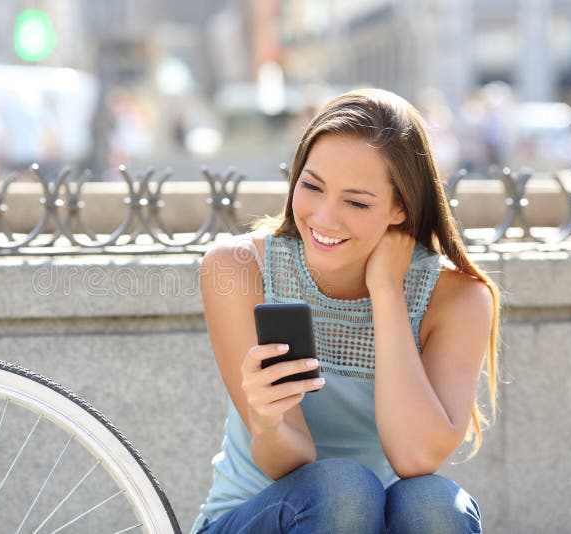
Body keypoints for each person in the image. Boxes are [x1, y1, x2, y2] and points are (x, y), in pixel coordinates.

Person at [193, 88, 499, 533]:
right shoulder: (239, 268)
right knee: (343, 492)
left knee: (435, 505)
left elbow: (416, 458)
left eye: (356, 202)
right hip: (257, 516)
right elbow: (287, 461)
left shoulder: (458, 298)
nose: (324, 218)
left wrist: (387, 291)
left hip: (371, 518)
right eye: (311, 186)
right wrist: (267, 420)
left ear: (400, 208)